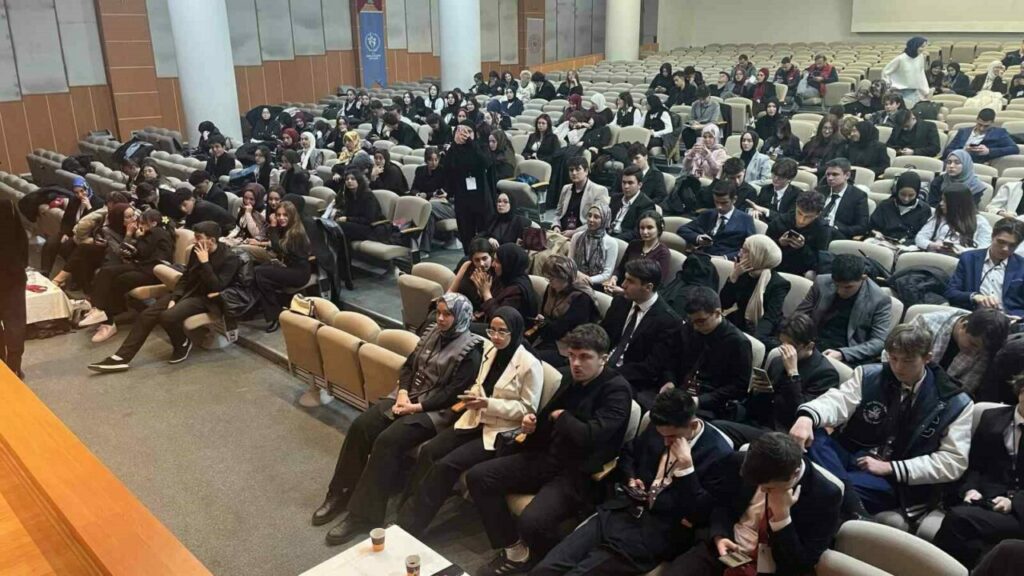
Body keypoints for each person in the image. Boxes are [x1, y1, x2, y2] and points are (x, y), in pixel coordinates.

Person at [313, 294, 483, 545]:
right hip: (406, 398)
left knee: (387, 441)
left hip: (434, 412)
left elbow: (452, 394)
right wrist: (403, 392)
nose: (440, 318)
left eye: (447, 314)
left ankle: (363, 516)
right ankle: (340, 492)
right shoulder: (432, 332)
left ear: (460, 317)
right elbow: (408, 367)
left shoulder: (471, 351)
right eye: (439, 312)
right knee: (361, 426)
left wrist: (416, 406)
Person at [466, 324, 632, 575]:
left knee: (532, 521)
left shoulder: (617, 390)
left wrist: (562, 417)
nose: (576, 363)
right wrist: (532, 425)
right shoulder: (571, 378)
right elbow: (547, 418)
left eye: (585, 357)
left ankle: (549, 562)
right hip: (548, 457)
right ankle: (515, 549)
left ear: (604, 359)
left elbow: (591, 436)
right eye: (572, 356)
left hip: (578, 473)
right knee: (478, 477)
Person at [532, 388, 734, 576]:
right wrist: (630, 478)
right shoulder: (660, 427)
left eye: (672, 436)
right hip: (620, 512)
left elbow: (701, 514)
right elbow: (629, 452)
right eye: (662, 435)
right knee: (546, 568)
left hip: (654, 534)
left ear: (692, 425)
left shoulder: (719, 454)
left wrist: (687, 469)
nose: (665, 442)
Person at [790, 323, 973, 522]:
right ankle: (851, 503)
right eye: (893, 358)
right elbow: (838, 401)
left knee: (812, 483)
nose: (898, 367)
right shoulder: (870, 375)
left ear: (927, 358)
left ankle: (831, 491)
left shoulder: (955, 401)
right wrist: (806, 417)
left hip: (892, 477)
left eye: (908, 361)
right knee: (815, 433)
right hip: (851, 454)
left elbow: (953, 461)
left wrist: (892, 468)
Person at [397, 306, 542, 538]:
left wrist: (488, 403)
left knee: (446, 465)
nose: (495, 336)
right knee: (430, 451)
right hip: (475, 417)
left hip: (498, 430)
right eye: (492, 330)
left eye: (502, 331)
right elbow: (480, 383)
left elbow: (527, 409)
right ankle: (405, 510)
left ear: (514, 331)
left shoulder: (530, 364)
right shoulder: (490, 350)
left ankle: (412, 524)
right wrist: (474, 395)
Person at [666, 432, 842, 576]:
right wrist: (720, 535)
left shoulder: (825, 495)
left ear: (794, 474)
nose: (762, 491)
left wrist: (782, 518)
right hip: (727, 546)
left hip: (771, 566)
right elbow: (721, 505)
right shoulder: (739, 461)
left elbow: (799, 566)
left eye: (769, 488)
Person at [87, 222, 241, 373]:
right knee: (147, 315)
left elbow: (217, 287)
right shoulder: (197, 250)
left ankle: (182, 343)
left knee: (167, 316)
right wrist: (175, 297)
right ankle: (121, 358)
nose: (195, 241)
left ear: (211, 240)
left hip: (207, 299)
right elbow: (186, 277)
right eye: (195, 237)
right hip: (188, 292)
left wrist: (205, 263)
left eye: (199, 237)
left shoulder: (229, 258)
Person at [933, 374, 1024, 568]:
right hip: (987, 498)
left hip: (1019, 509)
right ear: (1021, 392)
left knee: (959, 519)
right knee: (967, 531)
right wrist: (970, 489)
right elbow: (975, 464)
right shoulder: (992, 417)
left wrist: (1012, 502)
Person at [658, 286, 753, 420]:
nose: (696, 327)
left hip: (712, 404)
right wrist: (669, 380)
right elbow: (671, 359)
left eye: (701, 321)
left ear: (717, 313)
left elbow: (739, 387)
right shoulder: (689, 328)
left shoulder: (738, 342)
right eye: (692, 321)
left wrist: (701, 400)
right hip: (680, 392)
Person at [80, 209, 174, 343]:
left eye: (143, 223)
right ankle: (100, 310)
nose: (140, 225)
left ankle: (107, 318)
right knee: (106, 272)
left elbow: (149, 254)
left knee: (118, 278)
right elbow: (140, 253)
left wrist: (139, 238)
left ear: (153, 223)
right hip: (144, 267)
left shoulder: (157, 232)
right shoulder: (153, 233)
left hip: (154, 271)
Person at [743, 313, 841, 435]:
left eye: (791, 347)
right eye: (782, 344)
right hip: (759, 421)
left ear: (809, 346)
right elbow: (757, 406)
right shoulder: (777, 361)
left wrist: (793, 374)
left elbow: (801, 414)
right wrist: (759, 391)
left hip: (783, 433)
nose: (785, 351)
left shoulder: (826, 375)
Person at [599, 259, 680, 407]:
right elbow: (603, 334)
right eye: (625, 279)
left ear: (648, 287)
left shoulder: (668, 321)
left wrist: (608, 373)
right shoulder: (620, 301)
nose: (623, 285)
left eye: (630, 281)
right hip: (601, 364)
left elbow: (651, 367)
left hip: (631, 380)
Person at [796, 254, 892, 366]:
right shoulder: (821, 282)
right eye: (836, 285)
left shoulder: (879, 299)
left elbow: (878, 342)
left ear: (863, 278)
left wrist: (842, 353)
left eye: (848, 287)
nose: (840, 291)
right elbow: (800, 315)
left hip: (848, 349)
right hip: (814, 340)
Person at [907, 308, 1010, 397]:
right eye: (973, 344)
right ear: (964, 326)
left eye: (980, 350)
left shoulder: (983, 350)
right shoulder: (924, 324)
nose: (975, 352)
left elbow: (963, 390)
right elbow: (903, 362)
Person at [721, 235, 790, 348]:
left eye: (745, 251)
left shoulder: (779, 284)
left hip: (763, 330)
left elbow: (770, 318)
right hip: (740, 322)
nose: (739, 254)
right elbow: (723, 304)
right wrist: (733, 277)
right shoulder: (742, 273)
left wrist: (753, 339)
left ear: (758, 255)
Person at [945, 217, 1024, 317]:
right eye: (1001, 242)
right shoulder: (969, 259)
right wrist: (974, 296)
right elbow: (951, 292)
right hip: (975, 316)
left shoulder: (1021, 266)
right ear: (992, 236)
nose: (1005, 249)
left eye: (1012, 245)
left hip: (1010, 318)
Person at [528, 255, 599, 365]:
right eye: (547, 278)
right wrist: (541, 321)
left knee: (531, 358)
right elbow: (545, 314)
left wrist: (544, 323)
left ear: (564, 277)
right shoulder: (551, 288)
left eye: (552, 278)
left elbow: (563, 328)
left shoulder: (581, 298)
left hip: (568, 345)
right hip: (547, 336)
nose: (549, 281)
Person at [253, 201, 310, 333]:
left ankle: (275, 315)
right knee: (258, 270)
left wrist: (273, 226)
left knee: (260, 273)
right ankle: (273, 310)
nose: (281, 218)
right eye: (278, 215)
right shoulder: (286, 229)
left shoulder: (296, 232)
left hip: (299, 273)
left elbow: (277, 247)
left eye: (285, 215)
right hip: (288, 267)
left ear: (292, 216)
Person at [446, 121, 496, 252]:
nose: (465, 134)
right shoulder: (454, 149)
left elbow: (486, 162)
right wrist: (455, 145)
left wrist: (470, 143)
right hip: (462, 195)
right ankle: (468, 255)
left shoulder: (481, 146)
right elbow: (448, 167)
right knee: (465, 232)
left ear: (474, 133)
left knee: (484, 231)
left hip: (480, 195)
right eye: (461, 131)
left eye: (469, 131)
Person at [41, 177, 105, 279]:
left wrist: (89, 208)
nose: (80, 195)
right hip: (71, 231)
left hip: (86, 234)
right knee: (51, 242)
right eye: (76, 192)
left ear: (87, 188)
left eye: (82, 191)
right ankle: (45, 272)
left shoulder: (98, 203)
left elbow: (95, 224)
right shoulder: (74, 200)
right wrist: (65, 233)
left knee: (67, 247)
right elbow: (66, 219)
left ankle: (74, 276)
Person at [679, 180, 755, 261]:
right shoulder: (708, 214)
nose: (719, 207)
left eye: (724, 203)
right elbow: (683, 229)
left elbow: (751, 249)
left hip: (727, 262)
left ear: (734, 199)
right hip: (702, 258)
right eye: (716, 202)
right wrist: (698, 238)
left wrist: (726, 257)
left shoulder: (746, 220)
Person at [333, 169, 386, 286]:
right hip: (354, 228)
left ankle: (344, 272)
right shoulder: (349, 196)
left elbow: (369, 219)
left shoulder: (368, 196)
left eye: (353, 179)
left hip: (371, 229)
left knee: (340, 228)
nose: (349, 181)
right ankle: (345, 272)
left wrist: (348, 219)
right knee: (342, 237)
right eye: (347, 179)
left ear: (359, 181)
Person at [916, 183, 993, 255]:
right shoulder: (939, 217)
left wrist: (963, 250)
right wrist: (932, 245)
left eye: (945, 201)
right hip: (937, 256)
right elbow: (920, 237)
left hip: (963, 259)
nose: (941, 203)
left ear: (957, 204)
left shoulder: (980, 222)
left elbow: (985, 248)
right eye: (941, 200)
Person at [767, 190, 829, 276]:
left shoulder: (822, 229)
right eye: (799, 213)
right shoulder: (780, 221)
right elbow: (765, 247)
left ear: (817, 215)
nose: (801, 220)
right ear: (796, 206)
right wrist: (779, 243)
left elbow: (819, 262)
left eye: (808, 217)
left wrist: (802, 248)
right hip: (775, 266)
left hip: (801, 271)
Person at [476, 243, 538, 325]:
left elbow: (501, 319)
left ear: (508, 264)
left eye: (497, 261)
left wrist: (486, 293)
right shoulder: (504, 278)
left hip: (508, 330)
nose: (493, 264)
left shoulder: (517, 290)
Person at [607, 211, 671, 287]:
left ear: (659, 229)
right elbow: (621, 269)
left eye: (650, 228)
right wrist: (614, 278)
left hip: (640, 292)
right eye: (642, 228)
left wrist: (623, 292)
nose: (645, 232)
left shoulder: (663, 253)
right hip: (620, 285)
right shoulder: (633, 244)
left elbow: (658, 284)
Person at [0, 198, 27, 378]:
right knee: (15, 322)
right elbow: (21, 237)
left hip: (12, 272)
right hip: (12, 273)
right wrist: (21, 265)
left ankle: (1, 366)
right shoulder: (6, 204)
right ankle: (14, 366)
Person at [552, 156, 610, 239]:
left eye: (578, 169)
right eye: (571, 170)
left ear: (586, 171)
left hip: (584, 235)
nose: (574, 173)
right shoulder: (566, 188)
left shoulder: (599, 191)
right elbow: (558, 213)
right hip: (562, 232)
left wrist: (574, 232)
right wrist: (556, 226)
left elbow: (599, 222)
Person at [869, 171, 932, 243]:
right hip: (882, 242)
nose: (906, 199)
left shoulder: (924, 210)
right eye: (902, 194)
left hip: (909, 245)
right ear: (897, 190)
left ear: (917, 193)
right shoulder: (885, 205)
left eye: (911, 195)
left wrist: (907, 242)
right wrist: (876, 233)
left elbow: (925, 236)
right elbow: (872, 227)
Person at [817, 158, 869, 240]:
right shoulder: (819, 191)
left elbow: (862, 227)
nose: (830, 178)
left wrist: (837, 228)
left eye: (835, 174)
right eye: (828, 174)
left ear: (847, 175)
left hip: (838, 235)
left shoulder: (858, 196)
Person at [942, 108, 1019, 163]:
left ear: (992, 123)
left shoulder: (999, 133)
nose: (982, 128)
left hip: (978, 163)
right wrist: (963, 150)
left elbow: (1014, 148)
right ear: (977, 119)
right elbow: (947, 152)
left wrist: (989, 151)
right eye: (980, 124)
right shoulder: (963, 131)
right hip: (957, 161)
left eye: (986, 126)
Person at [568, 203, 618, 287]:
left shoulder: (611, 243)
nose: (591, 219)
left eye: (596, 217)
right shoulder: (577, 236)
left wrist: (587, 280)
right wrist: (579, 276)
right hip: (574, 278)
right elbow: (569, 263)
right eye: (589, 215)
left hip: (596, 284)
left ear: (604, 219)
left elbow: (607, 275)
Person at [609, 165, 657, 242]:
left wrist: (612, 240)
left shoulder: (646, 204)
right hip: (607, 237)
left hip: (625, 241)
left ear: (639, 185)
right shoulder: (615, 198)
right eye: (624, 182)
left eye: (630, 183)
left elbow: (637, 233)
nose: (626, 186)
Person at [747, 157, 799, 223]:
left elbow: (789, 219)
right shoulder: (765, 189)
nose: (775, 179)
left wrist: (766, 211)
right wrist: (754, 210)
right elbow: (757, 207)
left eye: (780, 177)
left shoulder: (797, 195)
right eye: (774, 174)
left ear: (790, 179)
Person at [882, 37, 931, 108]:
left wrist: (925, 90)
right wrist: (888, 86)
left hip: (914, 91)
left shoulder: (920, 57)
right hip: (899, 91)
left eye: (924, 47)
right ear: (914, 46)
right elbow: (885, 72)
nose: (923, 49)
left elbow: (921, 74)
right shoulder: (901, 58)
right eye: (921, 47)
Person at [450, 238, 496, 312]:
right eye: (477, 260)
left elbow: (494, 307)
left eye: (484, 258)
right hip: (460, 309)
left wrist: (483, 290)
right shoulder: (467, 265)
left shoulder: (496, 272)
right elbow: (451, 290)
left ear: (491, 256)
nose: (482, 264)